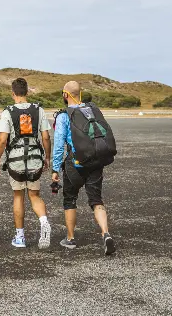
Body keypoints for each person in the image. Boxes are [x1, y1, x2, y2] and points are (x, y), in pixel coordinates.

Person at [52, 81, 117, 255]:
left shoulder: (64, 115)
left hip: (76, 164)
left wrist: (54, 169)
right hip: (96, 162)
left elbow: (58, 145)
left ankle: (70, 238)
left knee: (70, 198)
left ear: (65, 95)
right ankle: (106, 233)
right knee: (96, 200)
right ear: (80, 93)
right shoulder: (92, 110)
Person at [0, 78, 52, 249]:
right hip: (35, 158)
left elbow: (2, 140)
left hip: (15, 160)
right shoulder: (39, 110)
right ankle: (43, 222)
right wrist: (47, 157)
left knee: (18, 196)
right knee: (34, 195)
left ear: (13, 93)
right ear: (27, 92)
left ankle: (20, 237)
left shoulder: (7, 112)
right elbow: (46, 137)